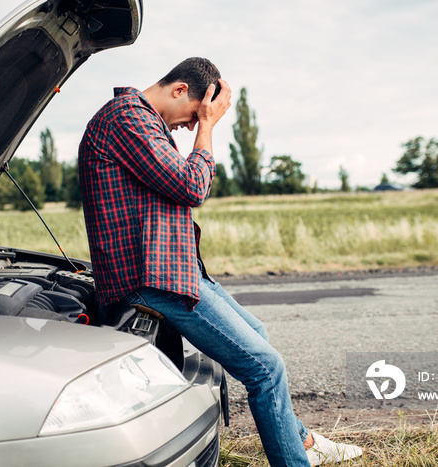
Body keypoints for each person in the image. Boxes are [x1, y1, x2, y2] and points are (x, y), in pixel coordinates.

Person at [78, 57, 363, 466]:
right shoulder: (128, 117)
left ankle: (301, 443)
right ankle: (295, 459)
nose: (192, 126)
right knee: (265, 368)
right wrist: (209, 128)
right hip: (153, 279)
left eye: (198, 122)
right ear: (179, 90)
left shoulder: (140, 121)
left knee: (257, 333)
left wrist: (203, 121)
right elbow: (190, 185)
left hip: (175, 271)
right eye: (194, 114)